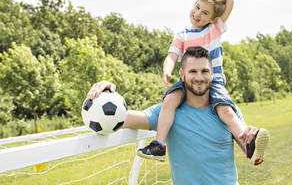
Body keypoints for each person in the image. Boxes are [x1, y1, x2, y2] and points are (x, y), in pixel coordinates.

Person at [137, 0, 270, 166]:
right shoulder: (182, 34)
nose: (198, 13)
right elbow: (172, 55)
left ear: (213, 18)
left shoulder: (215, 29)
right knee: (169, 101)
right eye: (197, 7)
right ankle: (159, 145)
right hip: (188, 82)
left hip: (213, 81)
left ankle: (247, 140)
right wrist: (167, 69)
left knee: (225, 110)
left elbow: (231, 2)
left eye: (205, 12)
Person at [87, 47, 263, 185]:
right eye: (193, 72)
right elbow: (122, 118)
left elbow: (248, 147)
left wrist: (251, 136)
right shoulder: (167, 112)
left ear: (212, 73)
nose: (199, 77)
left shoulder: (227, 111)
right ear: (182, 74)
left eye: (204, 71)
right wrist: (104, 95)